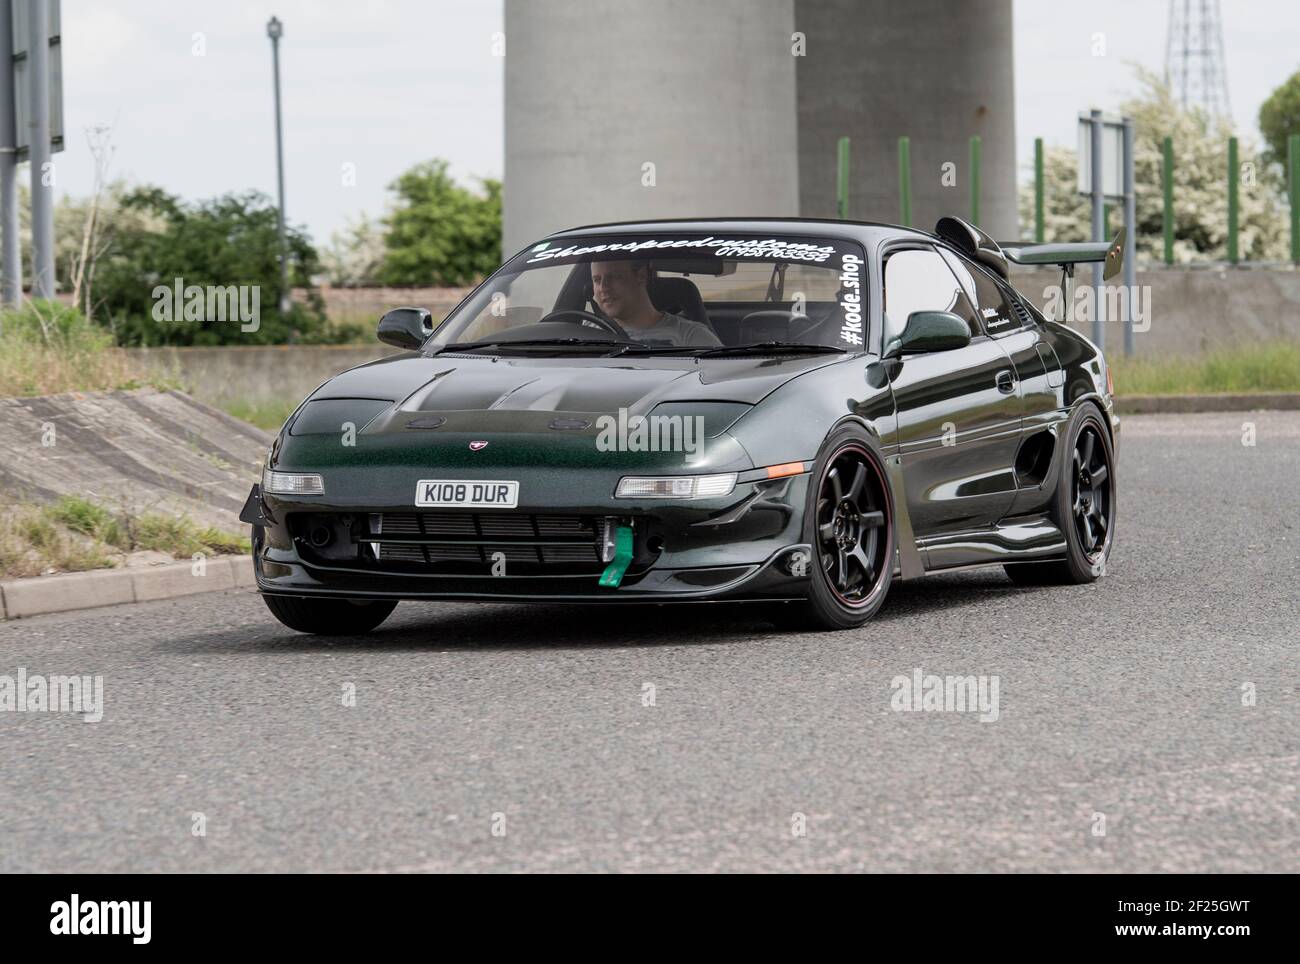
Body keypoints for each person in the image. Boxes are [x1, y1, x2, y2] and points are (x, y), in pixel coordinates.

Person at [589, 260, 720, 347]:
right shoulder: (584, 332)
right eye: (597, 280)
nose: (603, 287)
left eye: (614, 277)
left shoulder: (691, 336)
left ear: (641, 275)